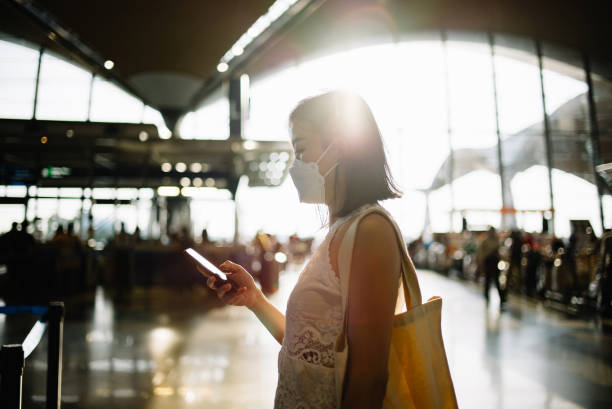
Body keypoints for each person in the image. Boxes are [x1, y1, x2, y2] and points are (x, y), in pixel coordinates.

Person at [198, 90, 406, 408]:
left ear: (339, 146)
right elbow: (305, 345)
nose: (296, 166)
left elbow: (368, 376)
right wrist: (254, 299)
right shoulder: (339, 231)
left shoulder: (371, 231)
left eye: (301, 149)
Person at [478, 226, 505, 306]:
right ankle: (487, 296)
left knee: (496, 281)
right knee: (488, 282)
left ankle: (501, 298)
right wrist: (481, 263)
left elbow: (499, 252)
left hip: (494, 263)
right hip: (488, 263)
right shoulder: (485, 241)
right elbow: (481, 253)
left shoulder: (496, 240)